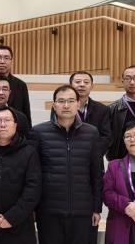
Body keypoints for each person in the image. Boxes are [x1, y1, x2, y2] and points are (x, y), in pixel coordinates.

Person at [29, 85, 103, 244]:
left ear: (78, 104)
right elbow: (33, 175)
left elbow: (97, 173)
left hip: (83, 211)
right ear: (54, 105)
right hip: (49, 211)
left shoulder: (92, 133)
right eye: (61, 101)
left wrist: (97, 208)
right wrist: (35, 208)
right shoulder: (38, 132)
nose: (66, 105)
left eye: (70, 101)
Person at [0, 106, 41, 244]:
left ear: (15, 125)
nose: (3, 124)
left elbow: (33, 189)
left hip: (20, 225)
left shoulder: (29, 152)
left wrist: (12, 217)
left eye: (7, 120)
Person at [68, 71, 111, 244]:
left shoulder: (102, 109)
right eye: (77, 81)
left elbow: (107, 136)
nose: (81, 84)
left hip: (93, 162)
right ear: (71, 85)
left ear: (92, 86)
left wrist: (88, 154)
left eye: (86, 81)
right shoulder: (62, 107)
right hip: (68, 162)